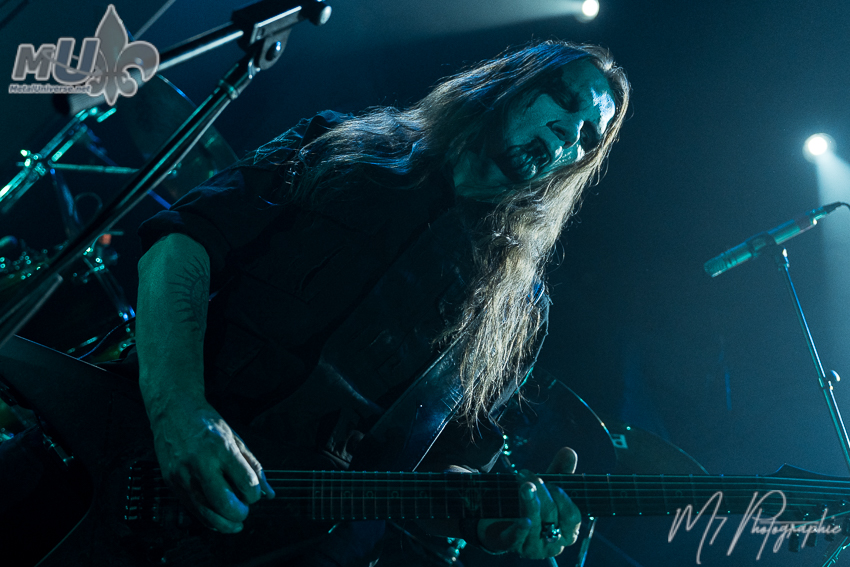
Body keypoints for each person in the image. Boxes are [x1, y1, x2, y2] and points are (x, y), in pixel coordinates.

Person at [133, 40, 630, 565]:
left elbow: (443, 465)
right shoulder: (339, 144)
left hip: (292, 546)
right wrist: (178, 408)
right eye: (565, 101)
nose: (571, 133)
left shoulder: (517, 311)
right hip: (136, 449)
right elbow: (184, 240)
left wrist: (491, 519)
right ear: (510, 84)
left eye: (589, 137)